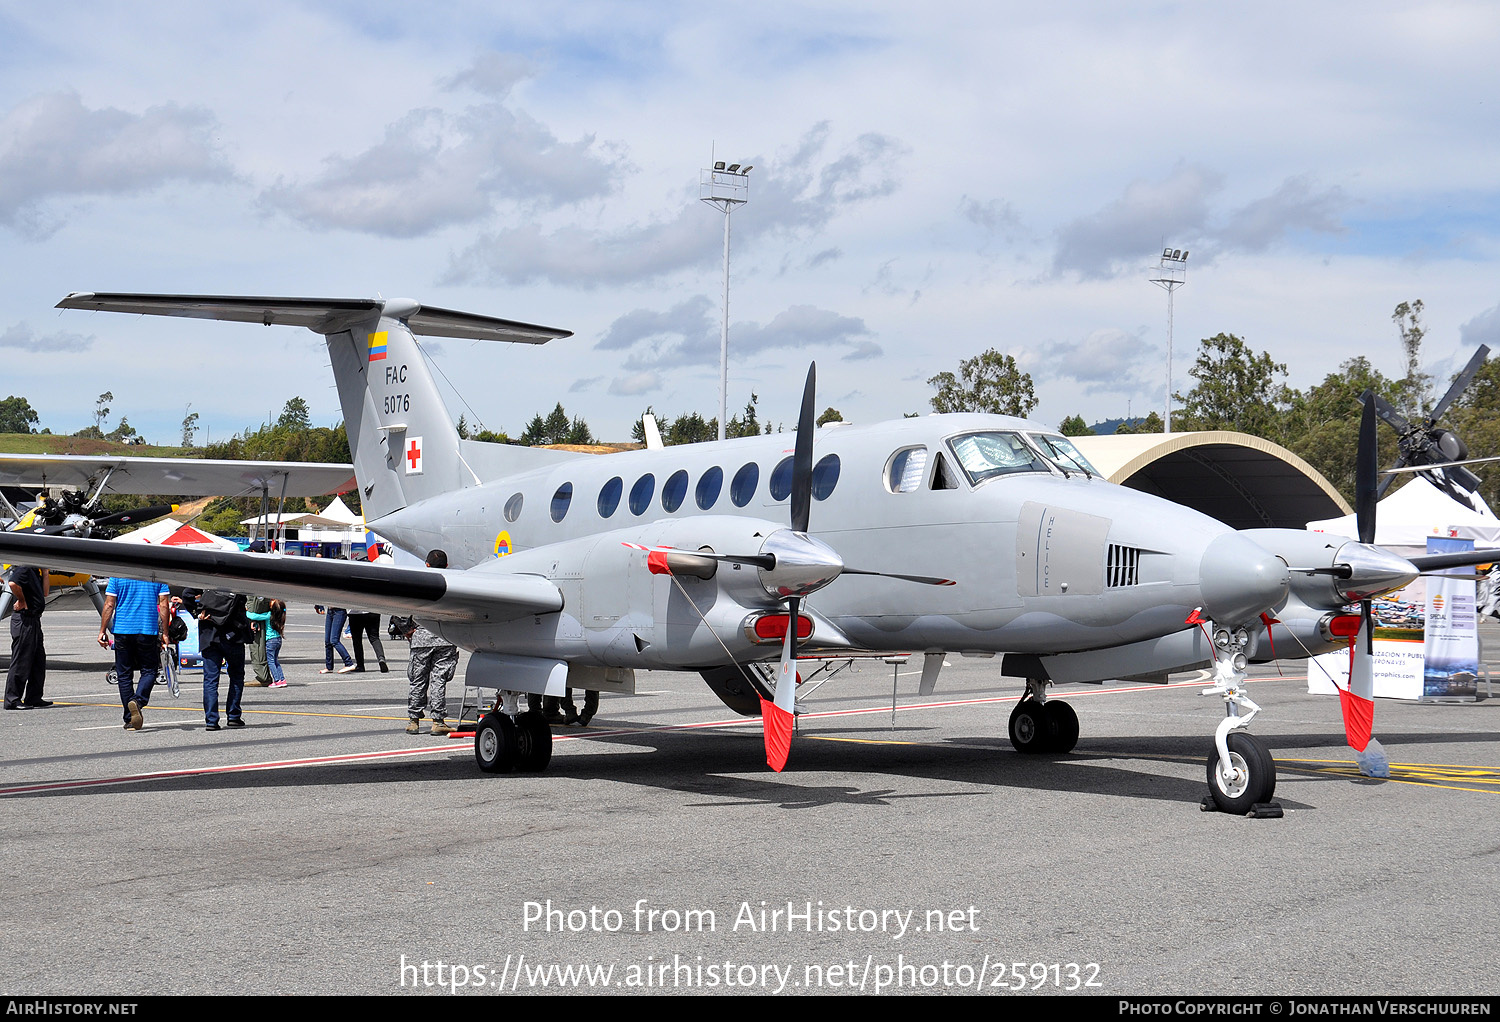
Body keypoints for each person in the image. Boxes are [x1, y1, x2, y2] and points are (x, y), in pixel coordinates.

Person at [98, 575, 170, 730]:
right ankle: (138, 701)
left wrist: (102, 630)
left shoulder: (117, 575)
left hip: (123, 629)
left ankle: (130, 718)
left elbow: (109, 605)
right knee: (149, 670)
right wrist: (165, 632)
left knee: (124, 674)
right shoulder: (156, 575)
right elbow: (164, 605)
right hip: (147, 630)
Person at [402, 549, 458, 737]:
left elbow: (400, 608)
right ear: (447, 566)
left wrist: (407, 629)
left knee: (418, 679)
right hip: (445, 638)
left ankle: (413, 720)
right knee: (439, 680)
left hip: (421, 638)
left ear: (426, 565)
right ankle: (438, 721)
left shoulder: (418, 582)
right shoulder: (454, 583)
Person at [186, 587, 253, 731]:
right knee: (236, 676)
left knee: (210, 680)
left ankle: (211, 720)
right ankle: (233, 715)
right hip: (234, 635)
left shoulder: (207, 578)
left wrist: (197, 613)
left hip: (209, 636)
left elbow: (187, 594)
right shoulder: (235, 580)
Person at [4, 564, 50, 709]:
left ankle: (34, 697)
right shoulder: (25, 568)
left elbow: (45, 593)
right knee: (21, 660)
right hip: (24, 619)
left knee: (38, 660)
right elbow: (12, 583)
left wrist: (46, 572)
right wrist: (22, 600)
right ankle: (12, 699)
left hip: (34, 620)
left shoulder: (35, 571)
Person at [246, 599, 288, 688]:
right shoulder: (280, 616)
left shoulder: (269, 615)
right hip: (278, 640)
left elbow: (254, 616)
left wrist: (245, 612)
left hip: (270, 641)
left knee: (271, 661)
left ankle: (277, 680)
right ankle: (282, 679)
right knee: (276, 661)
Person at [346, 603, 388, 673]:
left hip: (355, 612)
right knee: (374, 638)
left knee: (357, 640)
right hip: (373, 610)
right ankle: (381, 658)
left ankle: (360, 665)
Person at [315, 601, 355, 674]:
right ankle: (329, 667)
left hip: (339, 611)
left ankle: (349, 663)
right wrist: (318, 605)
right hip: (330, 610)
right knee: (327, 641)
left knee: (334, 640)